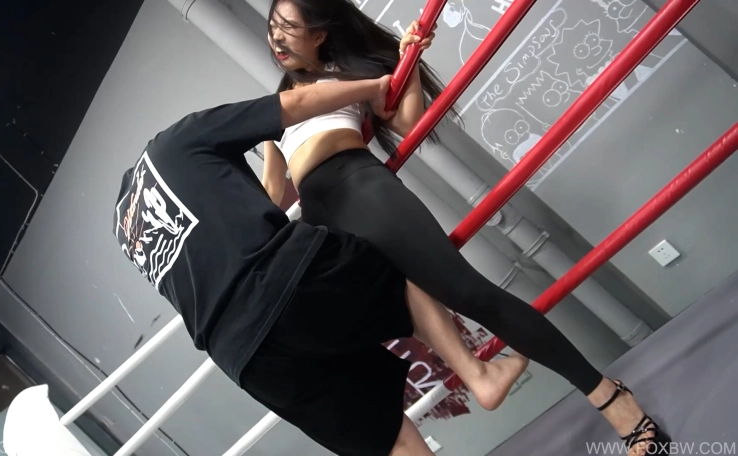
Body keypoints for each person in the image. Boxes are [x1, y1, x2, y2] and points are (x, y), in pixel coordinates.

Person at [259, 1, 671, 454]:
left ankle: (611, 398)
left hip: (360, 189)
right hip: (321, 222)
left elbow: (406, 121)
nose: (276, 37)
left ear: (319, 33)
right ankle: (480, 375)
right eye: (272, 26)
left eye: (288, 26)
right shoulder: (276, 104)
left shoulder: (348, 73)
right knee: (380, 313)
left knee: (472, 295)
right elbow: (271, 192)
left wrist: (407, 61)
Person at [113, 76, 544, 455]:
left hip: (244, 358)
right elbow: (295, 104)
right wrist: (375, 87)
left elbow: (261, 201)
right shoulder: (175, 141)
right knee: (394, 268)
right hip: (283, 280)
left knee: (388, 439)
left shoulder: (125, 232)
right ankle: (478, 375)